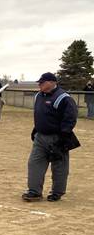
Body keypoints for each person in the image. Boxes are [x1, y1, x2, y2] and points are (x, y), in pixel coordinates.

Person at [22, 73, 79, 202]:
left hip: (58, 137)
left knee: (59, 166)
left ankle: (57, 192)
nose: (39, 84)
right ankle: (34, 191)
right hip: (40, 137)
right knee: (34, 163)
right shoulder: (38, 96)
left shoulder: (64, 98)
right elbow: (40, 115)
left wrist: (64, 136)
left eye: (42, 82)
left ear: (52, 82)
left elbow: (70, 118)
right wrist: (36, 129)